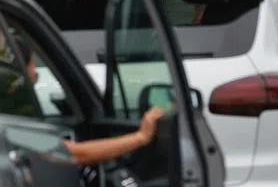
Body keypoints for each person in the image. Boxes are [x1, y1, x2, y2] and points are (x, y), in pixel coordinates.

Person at [14, 38, 165, 167]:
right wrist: (141, 137)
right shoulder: (12, 115)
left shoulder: (2, 107)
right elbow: (75, 154)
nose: (35, 67)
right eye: (31, 62)